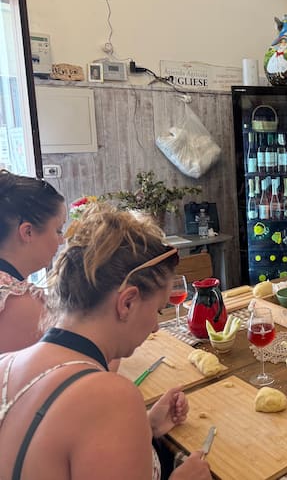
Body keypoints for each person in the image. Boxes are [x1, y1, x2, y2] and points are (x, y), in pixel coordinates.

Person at [0, 204, 211, 480]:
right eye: (158, 310)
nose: (155, 327)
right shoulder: (111, 398)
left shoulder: (6, 363)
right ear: (127, 302)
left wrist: (143, 428)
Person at [0, 170, 66, 353]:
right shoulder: (17, 303)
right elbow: (80, 364)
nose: (62, 240)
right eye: (58, 230)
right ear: (28, 232)